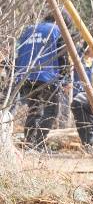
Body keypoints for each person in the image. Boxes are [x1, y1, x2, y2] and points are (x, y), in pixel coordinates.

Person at [13, 12, 65, 150]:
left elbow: (17, 52)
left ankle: (29, 142)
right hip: (48, 75)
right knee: (51, 110)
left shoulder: (28, 30)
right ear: (60, 21)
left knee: (34, 109)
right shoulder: (57, 30)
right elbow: (62, 56)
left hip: (26, 75)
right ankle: (39, 144)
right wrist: (64, 78)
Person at [70, 50, 93, 150]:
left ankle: (90, 144)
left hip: (90, 95)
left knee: (92, 120)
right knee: (82, 121)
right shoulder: (77, 58)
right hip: (77, 94)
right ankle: (87, 144)